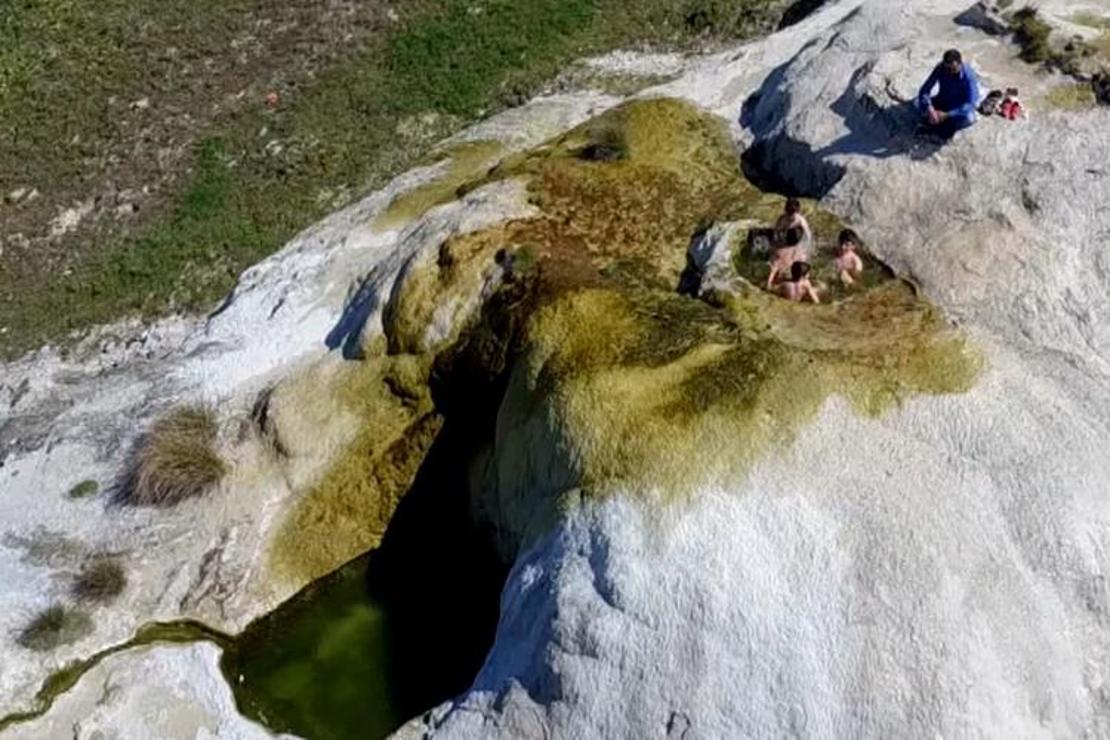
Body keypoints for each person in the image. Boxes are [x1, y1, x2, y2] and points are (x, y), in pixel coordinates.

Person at [916, 49, 980, 139]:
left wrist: (947, 114)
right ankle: (934, 121)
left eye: (953, 69)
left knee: (969, 118)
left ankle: (944, 127)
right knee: (917, 103)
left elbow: (971, 103)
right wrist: (930, 109)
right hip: (943, 100)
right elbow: (924, 90)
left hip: (958, 107)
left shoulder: (968, 76)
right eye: (947, 68)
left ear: (960, 64)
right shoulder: (940, 68)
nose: (949, 72)